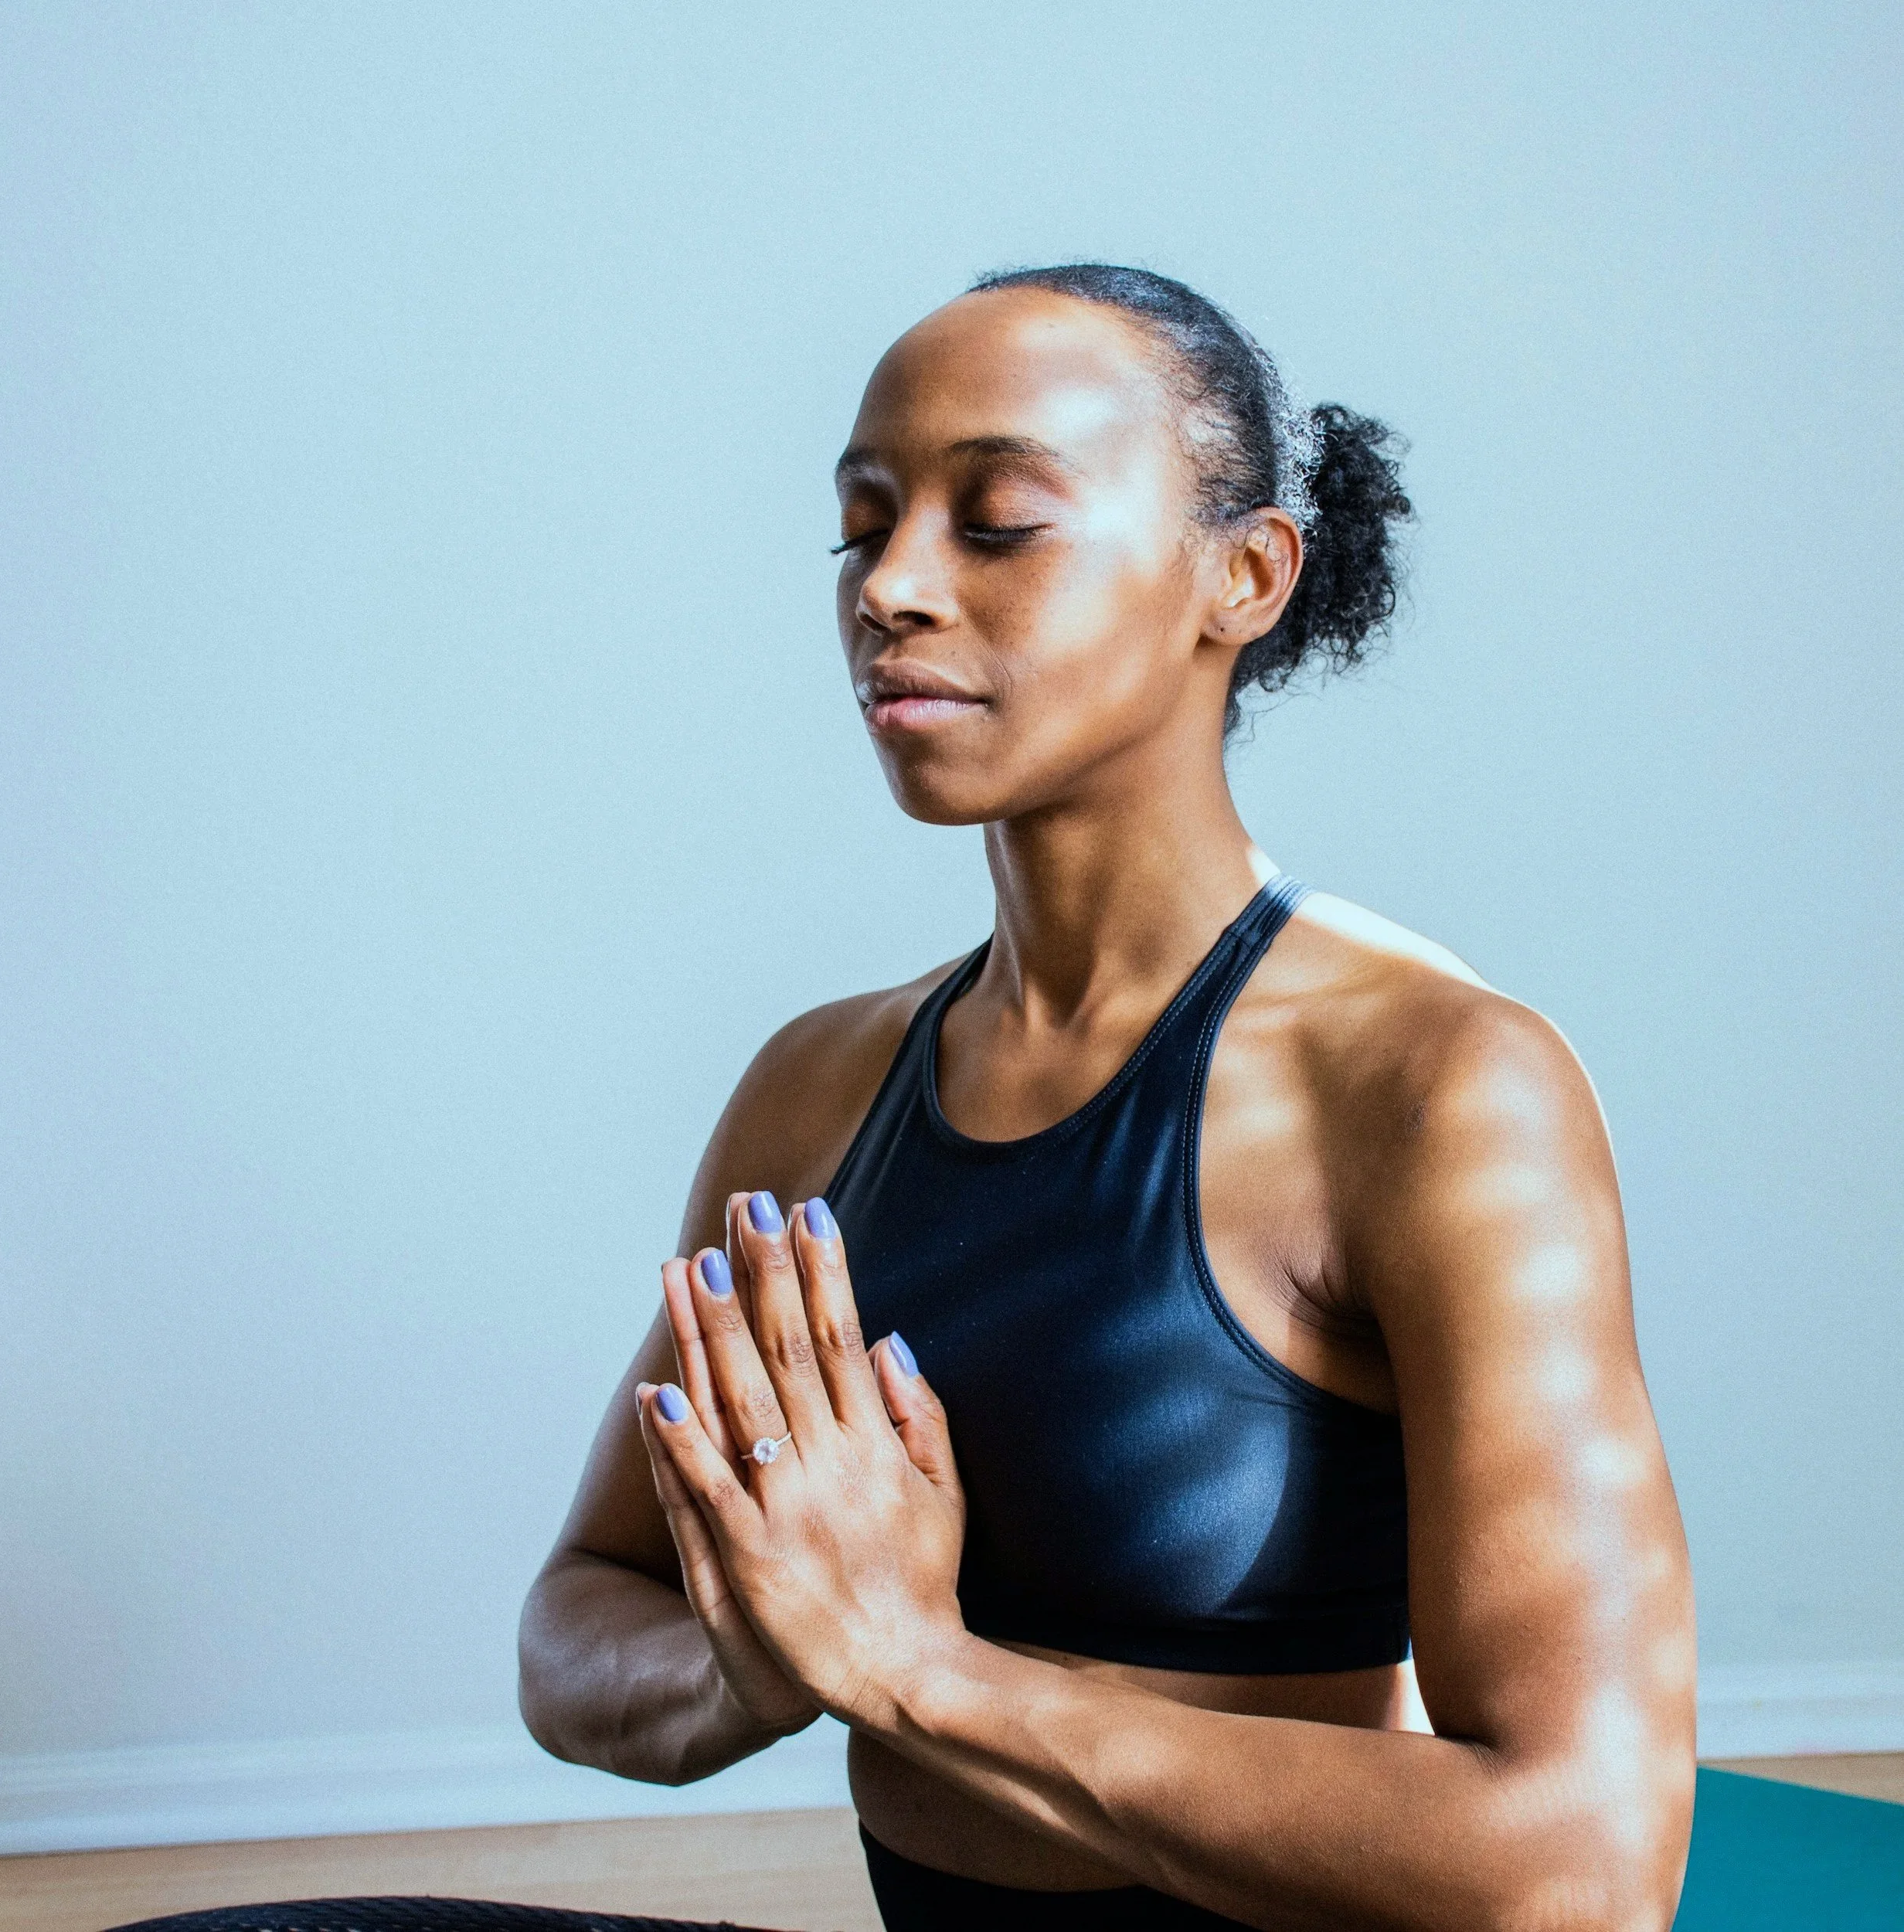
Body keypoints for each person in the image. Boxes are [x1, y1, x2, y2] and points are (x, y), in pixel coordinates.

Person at [518, 264, 1697, 1931]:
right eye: (861, 527)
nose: (893, 586)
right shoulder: (815, 1087)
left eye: (995, 521)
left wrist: (923, 1677)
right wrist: (758, 1661)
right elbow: (578, 1614)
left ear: (1242, 573)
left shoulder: (1436, 1089)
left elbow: (1577, 1862)